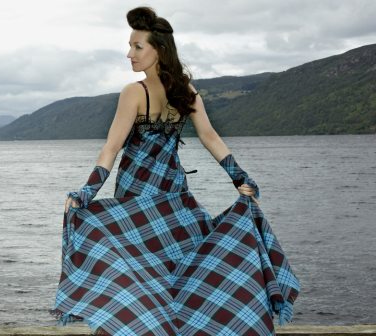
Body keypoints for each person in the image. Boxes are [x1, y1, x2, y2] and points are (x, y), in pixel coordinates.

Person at [51, 7, 300, 336]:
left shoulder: (134, 93)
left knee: (133, 287)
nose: (130, 54)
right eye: (130, 46)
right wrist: (239, 177)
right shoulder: (184, 90)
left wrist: (87, 192)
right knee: (177, 284)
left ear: (159, 50)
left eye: (138, 46)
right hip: (174, 201)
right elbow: (210, 137)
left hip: (138, 203)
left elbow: (111, 148)